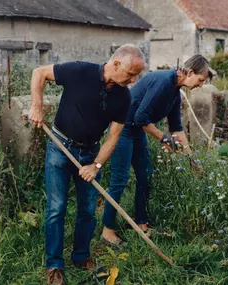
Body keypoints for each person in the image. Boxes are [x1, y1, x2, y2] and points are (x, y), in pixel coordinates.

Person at [28, 44, 145, 285]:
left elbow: (113, 136)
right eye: (131, 74)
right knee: (56, 208)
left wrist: (97, 166)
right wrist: (37, 106)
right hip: (59, 148)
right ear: (115, 64)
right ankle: (54, 265)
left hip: (91, 153)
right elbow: (39, 73)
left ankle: (81, 256)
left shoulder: (123, 96)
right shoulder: (79, 71)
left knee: (88, 210)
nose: (133, 80)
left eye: (137, 75)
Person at [101, 54, 213, 246]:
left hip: (137, 130)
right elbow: (140, 117)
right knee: (120, 180)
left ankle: (141, 222)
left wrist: (191, 159)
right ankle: (107, 230)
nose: (200, 85)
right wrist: (162, 138)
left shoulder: (176, 92)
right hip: (123, 128)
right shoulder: (163, 81)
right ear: (191, 72)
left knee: (145, 175)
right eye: (200, 80)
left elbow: (177, 128)